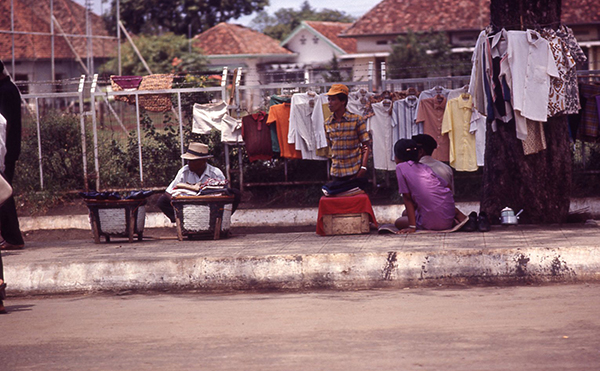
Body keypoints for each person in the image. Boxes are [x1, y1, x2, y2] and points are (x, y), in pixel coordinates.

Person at [157, 142, 240, 222]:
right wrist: (178, 202)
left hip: (211, 207)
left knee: (235, 193)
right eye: (188, 160)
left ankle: (220, 220)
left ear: (203, 161)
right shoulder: (184, 172)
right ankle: (183, 222)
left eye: (192, 161)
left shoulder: (215, 173)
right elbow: (168, 192)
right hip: (188, 207)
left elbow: (225, 193)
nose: (188, 163)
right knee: (162, 201)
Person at [394, 139, 456, 234]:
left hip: (431, 223)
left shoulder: (400, 167)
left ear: (397, 157)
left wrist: (412, 227)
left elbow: (407, 198)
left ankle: (421, 223)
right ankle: (455, 220)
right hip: (448, 218)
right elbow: (448, 186)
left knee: (399, 222)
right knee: (405, 213)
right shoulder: (424, 167)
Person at [322, 84, 371, 194]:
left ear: (343, 101)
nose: (329, 103)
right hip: (336, 173)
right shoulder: (327, 123)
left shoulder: (356, 120)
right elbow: (331, 146)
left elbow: (366, 145)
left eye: (333, 99)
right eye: (328, 99)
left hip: (354, 172)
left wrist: (363, 168)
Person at [0, 59, 25, 250]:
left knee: (4, 193)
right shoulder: (9, 88)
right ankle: (10, 235)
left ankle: (13, 238)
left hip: (5, 150)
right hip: (8, 148)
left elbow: (3, 126)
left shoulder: (4, 91)